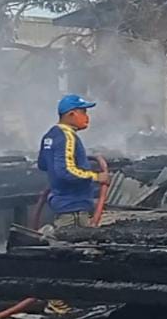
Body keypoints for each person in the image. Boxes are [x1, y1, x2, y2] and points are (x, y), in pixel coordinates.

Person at [37, 94, 111, 229]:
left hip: (61, 205)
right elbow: (66, 171)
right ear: (71, 114)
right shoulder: (68, 137)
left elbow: (43, 164)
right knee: (77, 245)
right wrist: (97, 176)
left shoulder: (50, 135)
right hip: (74, 211)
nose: (87, 117)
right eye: (83, 112)